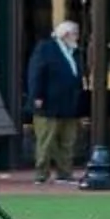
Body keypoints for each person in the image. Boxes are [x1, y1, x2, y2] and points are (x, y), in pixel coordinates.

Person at [25, 18, 87, 184]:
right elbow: (36, 73)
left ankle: (65, 173)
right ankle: (41, 174)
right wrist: (36, 96)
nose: (77, 37)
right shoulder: (45, 48)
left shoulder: (75, 52)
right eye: (75, 34)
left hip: (69, 104)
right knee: (46, 140)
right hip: (48, 103)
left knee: (68, 140)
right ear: (65, 35)